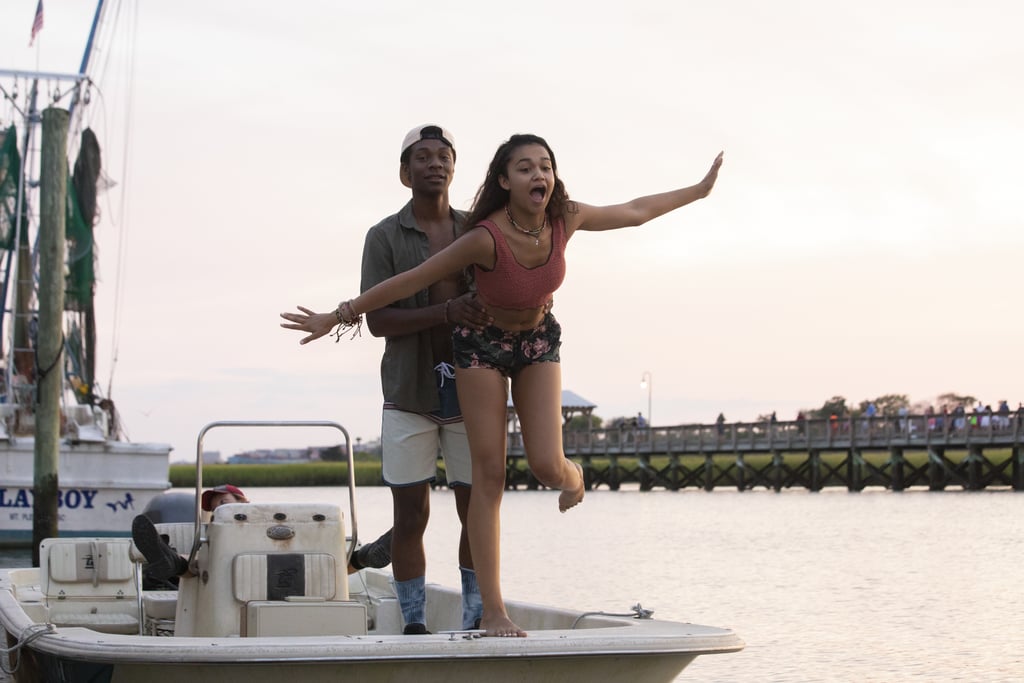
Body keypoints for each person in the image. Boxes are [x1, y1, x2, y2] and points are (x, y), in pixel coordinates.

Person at [281, 133, 723, 636]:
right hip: (480, 349)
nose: (539, 175)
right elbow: (406, 283)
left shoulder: (566, 217)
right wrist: (336, 316)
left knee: (545, 465)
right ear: (503, 181)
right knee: (487, 480)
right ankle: (491, 611)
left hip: (536, 343)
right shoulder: (482, 236)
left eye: (546, 167)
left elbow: (637, 209)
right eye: (526, 168)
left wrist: (699, 190)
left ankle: (571, 476)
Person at [287, 125, 488, 635]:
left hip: (472, 390)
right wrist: (446, 311)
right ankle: (414, 622)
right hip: (407, 393)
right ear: (406, 172)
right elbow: (378, 321)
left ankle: (476, 615)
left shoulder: (477, 229)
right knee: (411, 513)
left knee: (476, 510)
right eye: (423, 157)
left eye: (444, 156)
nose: (435, 163)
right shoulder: (383, 236)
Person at [131, 484, 393, 589]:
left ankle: (367, 555)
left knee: (317, 564)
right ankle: (169, 560)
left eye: (225, 501)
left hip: (274, 570)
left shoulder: (269, 519)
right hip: (222, 575)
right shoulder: (210, 533)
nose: (219, 508)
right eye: (215, 507)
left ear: (243, 501)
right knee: (203, 563)